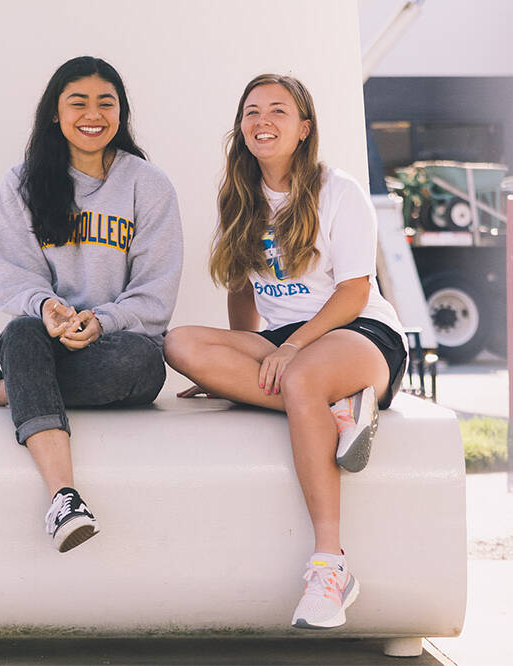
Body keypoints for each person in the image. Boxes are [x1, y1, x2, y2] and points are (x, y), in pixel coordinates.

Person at [163, 73, 407, 629]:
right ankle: (339, 410)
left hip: (359, 332)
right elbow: (242, 292)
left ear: (304, 128)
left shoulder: (337, 191)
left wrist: (293, 348)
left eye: (278, 110)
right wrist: (229, 371)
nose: (262, 121)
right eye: (251, 111)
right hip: (287, 340)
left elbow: (354, 291)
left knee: (300, 379)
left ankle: (330, 566)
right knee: (179, 343)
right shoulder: (239, 196)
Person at [0, 55, 183, 553]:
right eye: (77, 102)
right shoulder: (21, 185)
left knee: (143, 360)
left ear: (121, 114)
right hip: (46, 341)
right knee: (19, 335)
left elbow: (154, 292)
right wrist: (48, 310)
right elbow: (16, 277)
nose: (93, 113)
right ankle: (64, 497)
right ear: (55, 115)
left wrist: (101, 322)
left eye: (107, 102)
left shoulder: (148, 185)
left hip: (121, 348)